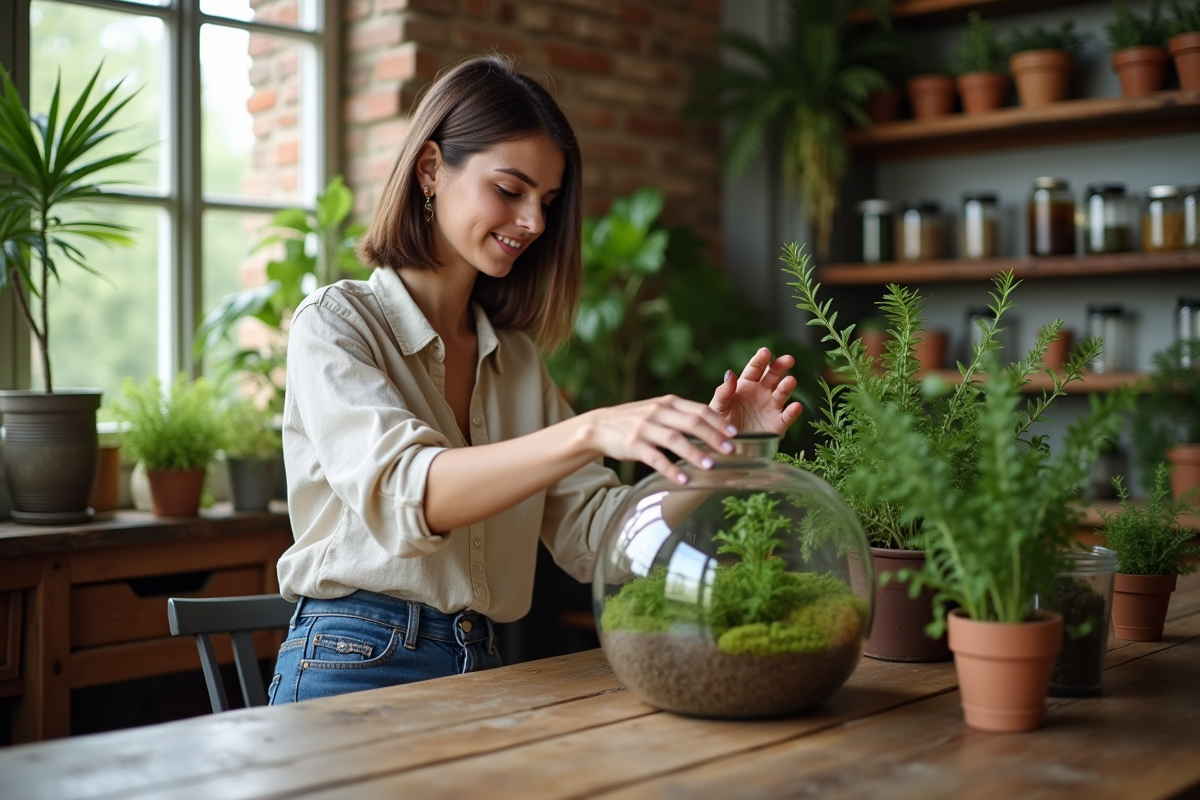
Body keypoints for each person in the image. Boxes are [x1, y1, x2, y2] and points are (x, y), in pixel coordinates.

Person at [268, 55, 804, 706]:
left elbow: (598, 536)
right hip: (353, 658)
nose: (536, 223)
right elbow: (412, 493)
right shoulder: (335, 324)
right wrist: (591, 428)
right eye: (510, 189)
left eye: (547, 201)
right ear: (431, 169)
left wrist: (717, 449)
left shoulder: (515, 360)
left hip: (485, 663)